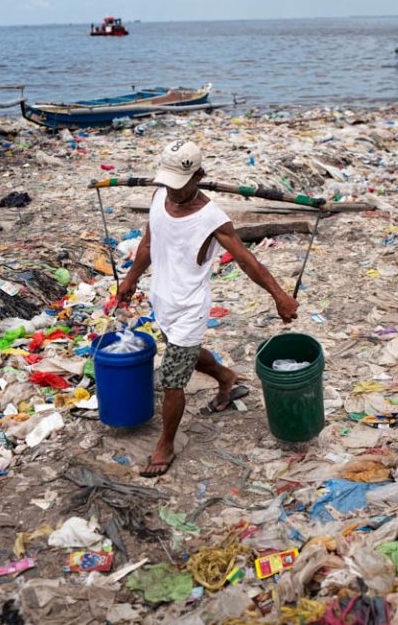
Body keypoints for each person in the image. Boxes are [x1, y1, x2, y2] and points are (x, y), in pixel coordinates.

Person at [116, 140, 299, 477]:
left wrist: (279, 295)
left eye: (178, 183)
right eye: (166, 181)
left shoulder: (212, 218)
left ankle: (165, 445)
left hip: (190, 307)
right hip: (162, 299)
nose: (170, 190)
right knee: (181, 352)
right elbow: (147, 243)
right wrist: (130, 281)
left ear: (198, 175)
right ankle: (226, 377)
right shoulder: (159, 195)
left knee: (173, 379)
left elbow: (247, 261)